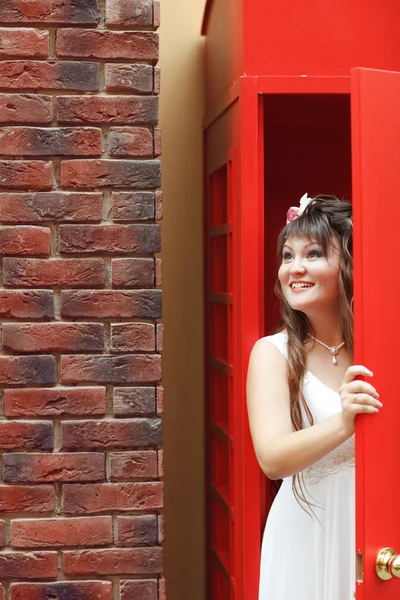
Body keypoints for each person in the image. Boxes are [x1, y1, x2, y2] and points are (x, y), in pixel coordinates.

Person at [246, 194, 381, 600]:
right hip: (307, 535)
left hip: (377, 537)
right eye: (288, 256)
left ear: (350, 266)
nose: (295, 268)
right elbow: (272, 458)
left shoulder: (382, 347)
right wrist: (342, 423)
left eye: (314, 253)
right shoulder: (273, 354)